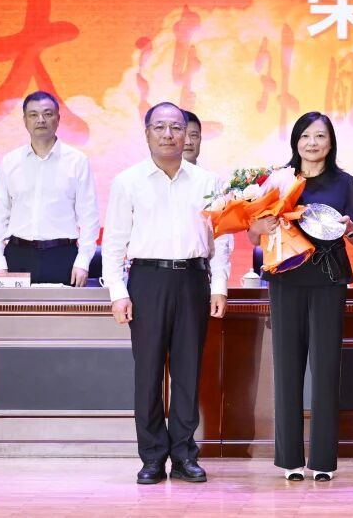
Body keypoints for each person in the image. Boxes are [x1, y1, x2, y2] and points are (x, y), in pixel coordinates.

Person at [102, 102, 233, 485]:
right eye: (159, 127)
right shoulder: (128, 181)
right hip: (147, 280)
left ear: (187, 134)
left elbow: (221, 239)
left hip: (193, 279)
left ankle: (184, 454)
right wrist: (117, 292)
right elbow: (114, 242)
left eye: (176, 127)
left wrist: (219, 286)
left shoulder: (207, 182)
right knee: (147, 373)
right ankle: (152, 457)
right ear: (147, 133)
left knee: (188, 372)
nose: (168, 134)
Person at [247, 112, 353, 481]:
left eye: (320, 136)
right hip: (286, 277)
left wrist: (350, 229)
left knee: (326, 368)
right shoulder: (279, 180)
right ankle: (289, 460)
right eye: (305, 136)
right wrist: (260, 225)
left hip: (328, 279)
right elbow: (253, 234)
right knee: (287, 368)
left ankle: (323, 461)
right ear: (295, 141)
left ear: (331, 143)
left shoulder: (344, 182)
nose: (312, 143)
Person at [0, 91, 98, 286]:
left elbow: (89, 216)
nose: (41, 120)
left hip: (62, 256)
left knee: (63, 307)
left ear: (58, 119)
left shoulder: (77, 161)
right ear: (25, 120)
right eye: (33, 114)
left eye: (47, 114)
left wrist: (83, 261)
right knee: (17, 308)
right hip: (17, 256)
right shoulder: (10, 162)